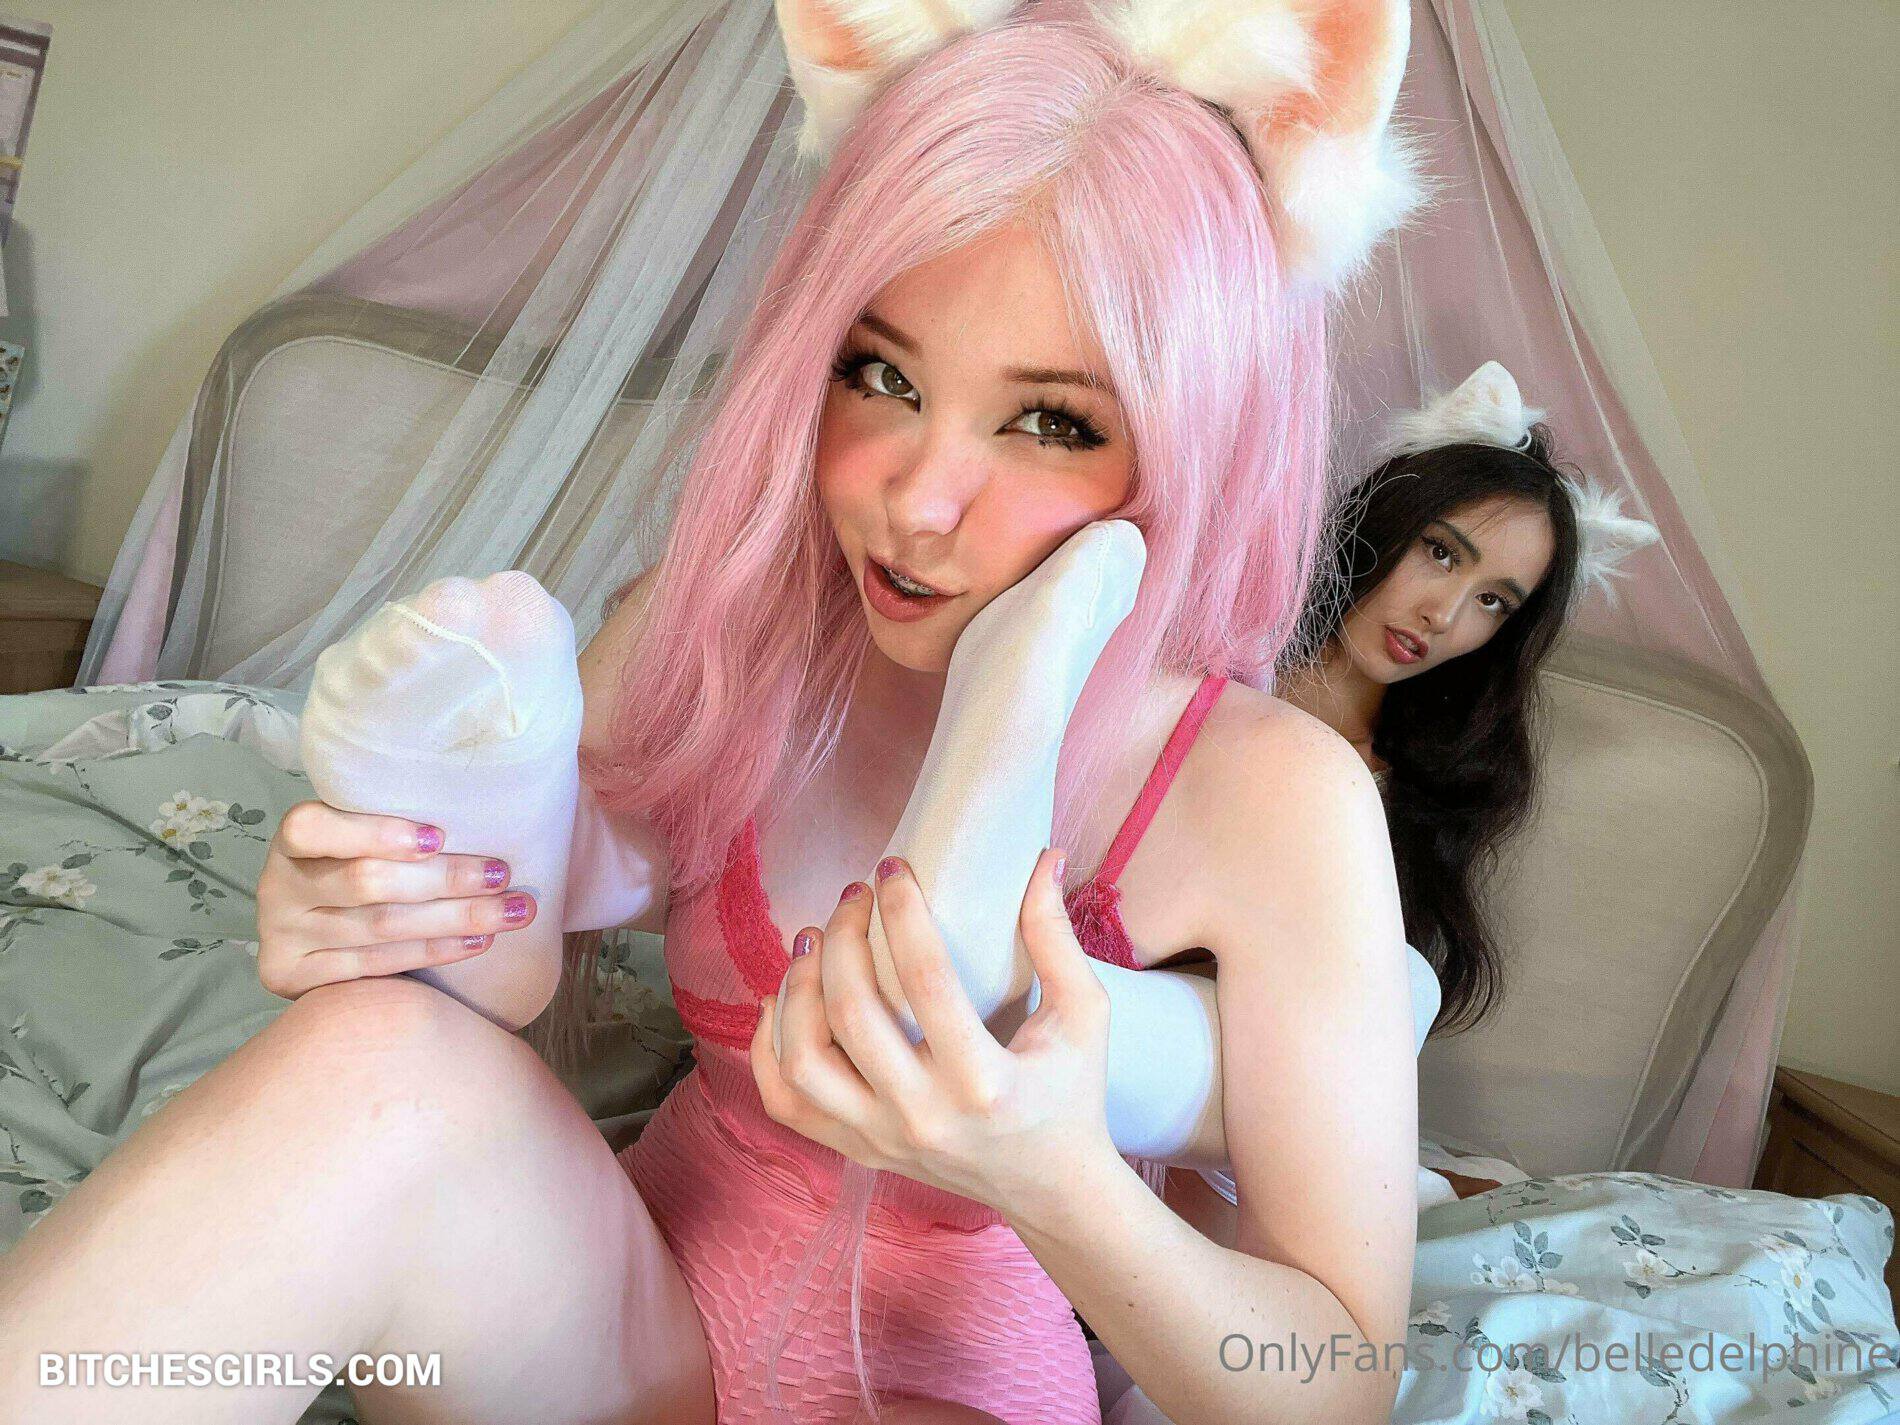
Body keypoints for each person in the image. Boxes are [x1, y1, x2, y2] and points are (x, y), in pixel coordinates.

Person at [0, 5, 1426, 1423]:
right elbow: (513, 957)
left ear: (1199, 433)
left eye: (1052, 422)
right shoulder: (743, 636)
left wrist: (1053, 1180)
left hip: (946, 1380)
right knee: (375, 1058)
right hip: (628, 1326)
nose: (916, 503)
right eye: (881, 375)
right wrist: (378, 906)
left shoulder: (1272, 796)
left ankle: (1008, 734)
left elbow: (1337, 1386)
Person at [1169, 359, 1661, 1259]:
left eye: (1491, 602)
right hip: (1120, 1012)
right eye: (1441, 552)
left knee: (1406, 982)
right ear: (1389, 514)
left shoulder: (1409, 784)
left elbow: (1331, 1007)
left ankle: (1385, 1193)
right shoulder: (1210, 662)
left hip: (1240, 1095)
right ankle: (1397, 1189)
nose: (1443, 614)